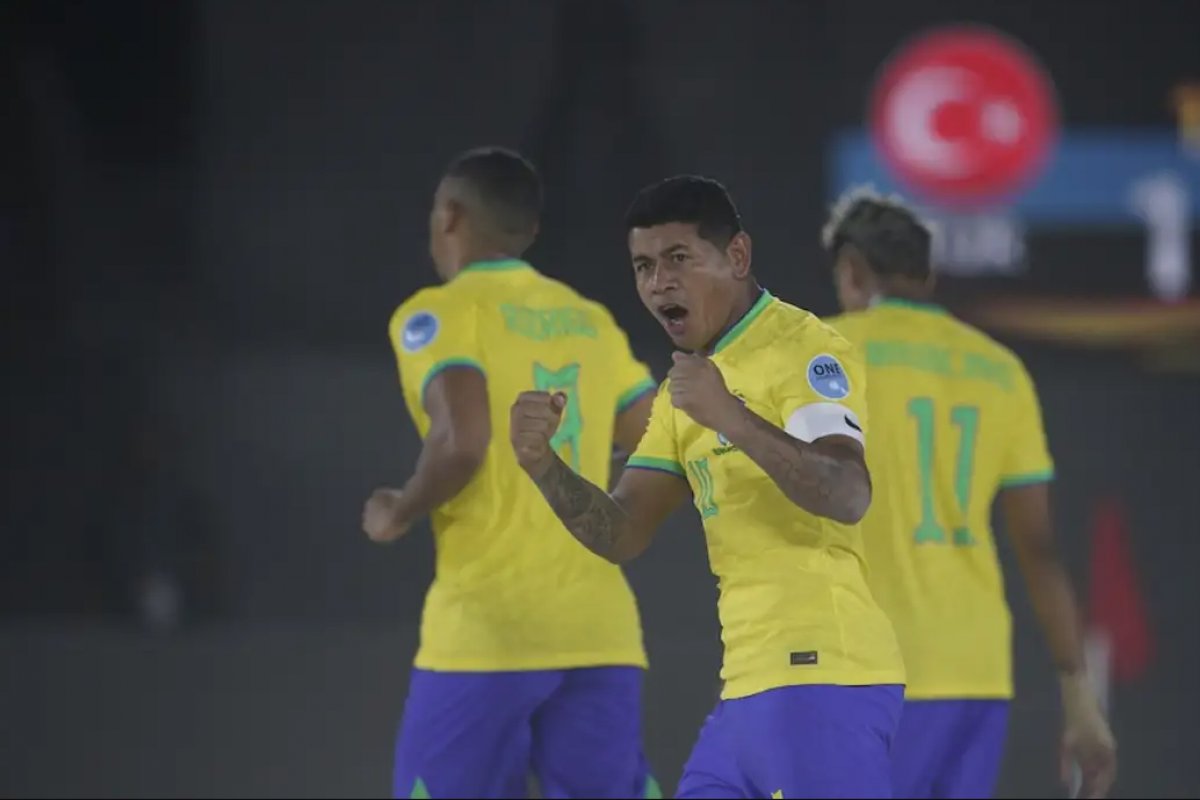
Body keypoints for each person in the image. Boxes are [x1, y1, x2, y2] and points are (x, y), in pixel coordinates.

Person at [510, 175, 906, 799]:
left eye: (678, 259)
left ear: (738, 257)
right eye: (643, 266)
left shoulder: (803, 350)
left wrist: (730, 416)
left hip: (822, 677)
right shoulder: (683, 391)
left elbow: (847, 492)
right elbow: (623, 531)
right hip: (746, 692)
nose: (658, 282)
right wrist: (543, 465)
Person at [362, 146, 661, 799]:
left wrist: (401, 507)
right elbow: (657, 435)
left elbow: (463, 442)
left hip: (488, 633)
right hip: (600, 630)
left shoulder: (438, 314)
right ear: (528, 232)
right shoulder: (589, 320)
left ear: (449, 217)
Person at [820, 187, 1118, 799]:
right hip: (978, 676)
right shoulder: (1000, 370)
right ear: (927, 275)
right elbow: (1039, 552)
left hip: (867, 672)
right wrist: (1081, 702)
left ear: (851, 272)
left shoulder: (823, 354)